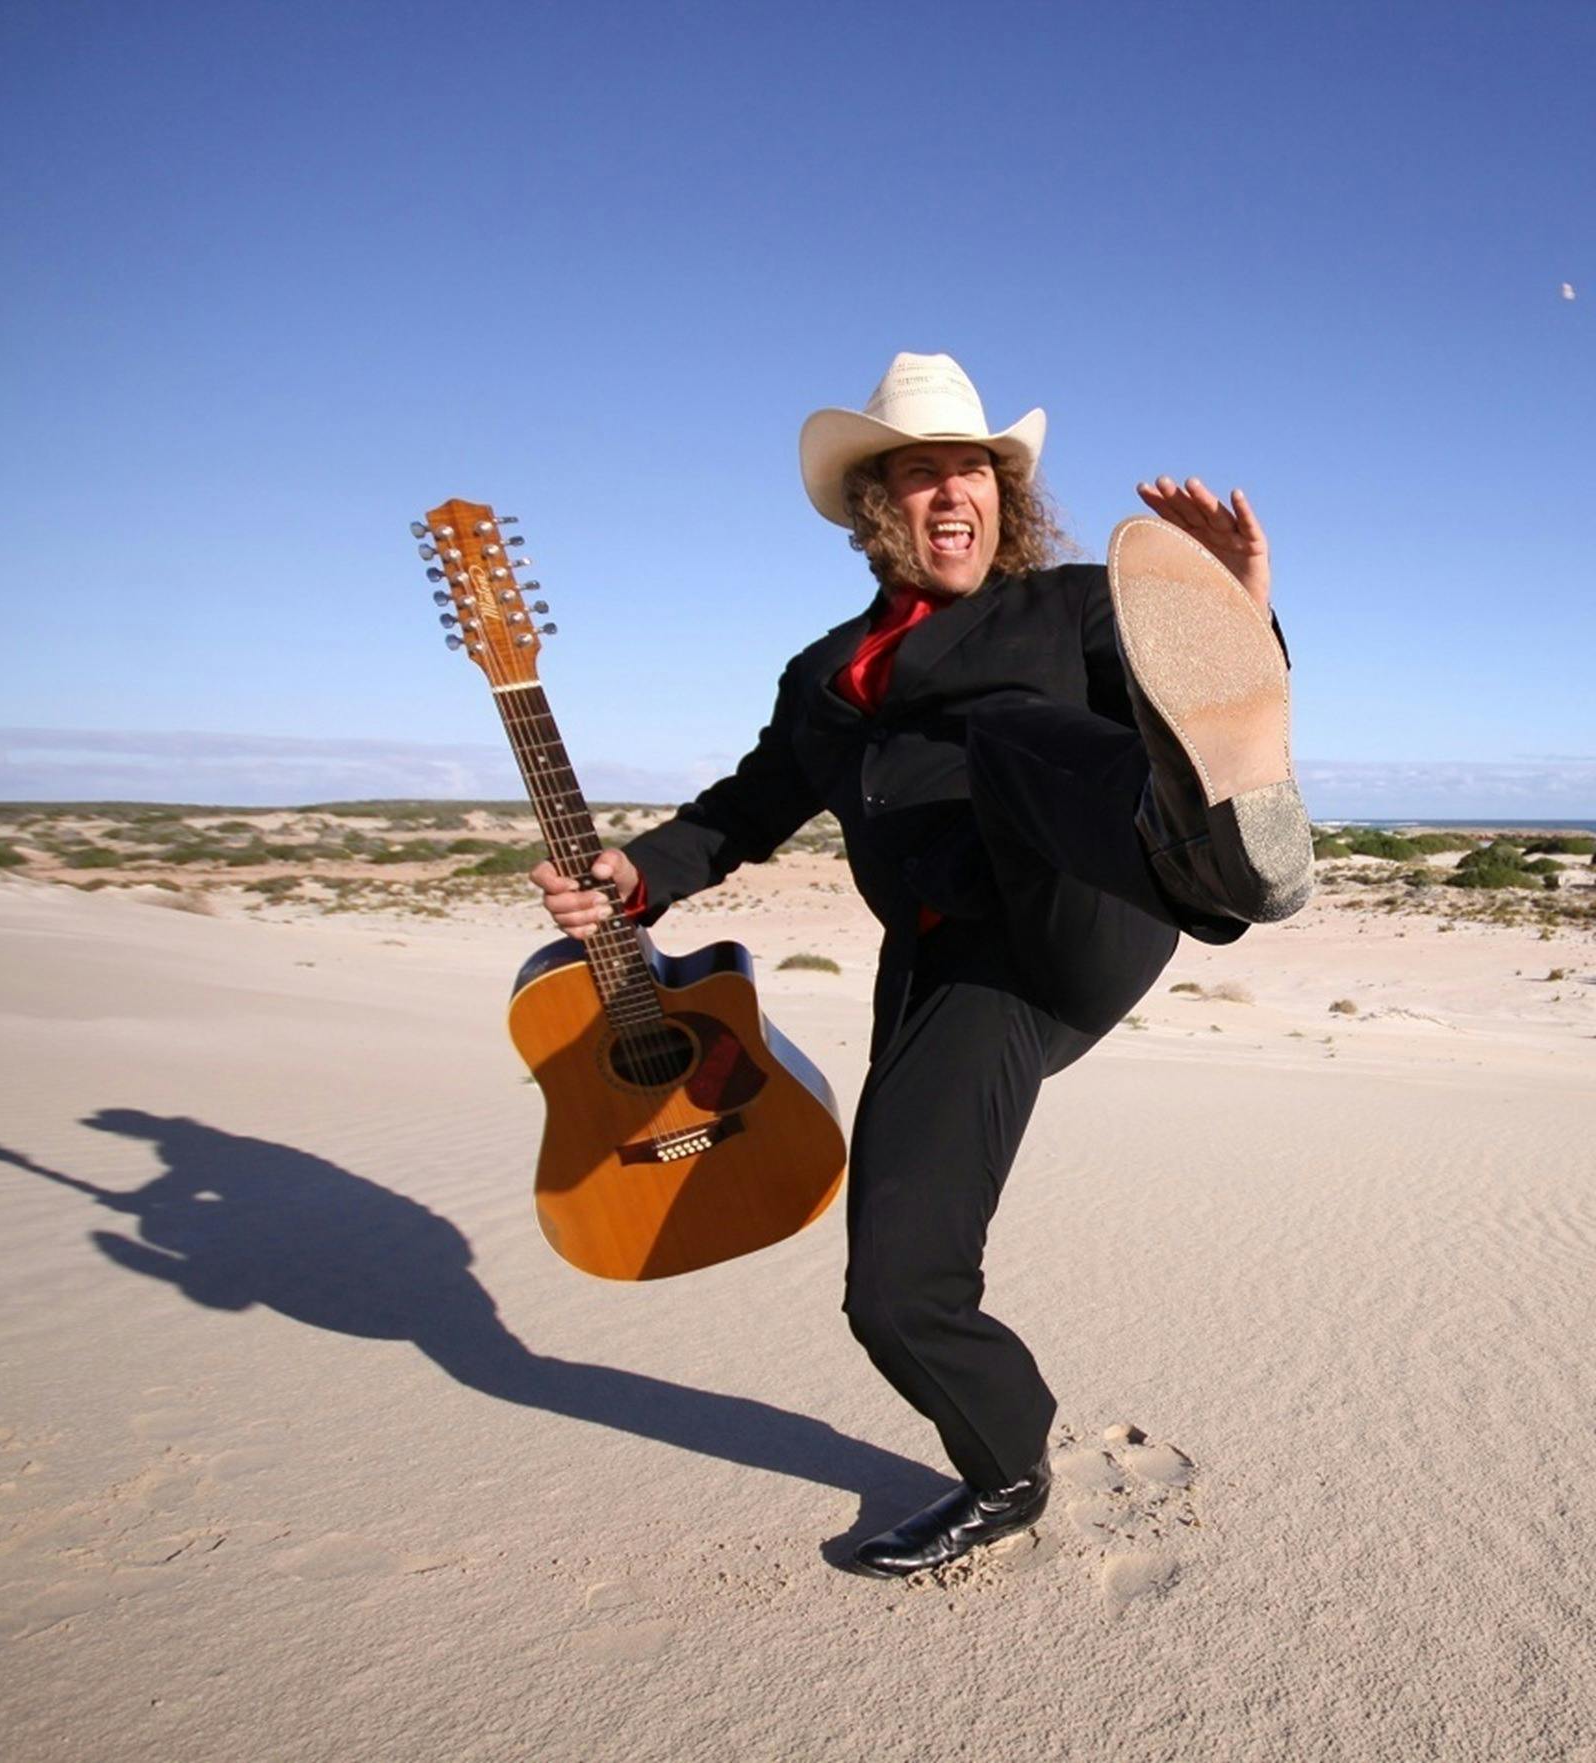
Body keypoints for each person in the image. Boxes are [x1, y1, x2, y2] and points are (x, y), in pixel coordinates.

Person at [529, 352, 1314, 1578]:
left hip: (1096, 895)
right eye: (919, 476)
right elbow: (747, 805)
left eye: (973, 472)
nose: (952, 494)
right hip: (962, 975)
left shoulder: (1070, 606)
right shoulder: (820, 676)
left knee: (1012, 733)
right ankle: (1004, 1466)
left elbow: (1195, 701)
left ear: (1006, 496)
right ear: (875, 508)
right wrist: (639, 872)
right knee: (893, 1287)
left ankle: (1218, 857)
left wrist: (1233, 615)